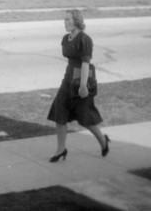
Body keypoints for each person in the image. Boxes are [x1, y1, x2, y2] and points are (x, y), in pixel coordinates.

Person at [47, 9, 110, 162]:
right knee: (59, 113)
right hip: (67, 79)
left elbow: (85, 64)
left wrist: (83, 86)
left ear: (76, 21)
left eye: (68, 19)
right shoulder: (66, 38)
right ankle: (61, 150)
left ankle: (103, 141)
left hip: (82, 79)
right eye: (64, 20)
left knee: (85, 116)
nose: (65, 22)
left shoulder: (85, 39)